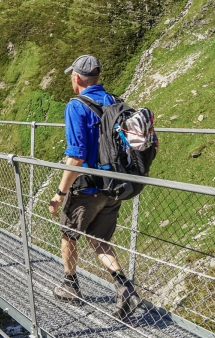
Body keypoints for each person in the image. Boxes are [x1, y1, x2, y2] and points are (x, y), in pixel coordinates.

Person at [48, 55, 142, 319]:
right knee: (99, 239)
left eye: (71, 75)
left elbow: (76, 156)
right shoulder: (114, 101)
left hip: (87, 189)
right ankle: (126, 289)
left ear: (77, 77)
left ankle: (71, 285)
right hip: (114, 186)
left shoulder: (76, 105)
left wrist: (60, 194)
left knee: (69, 234)